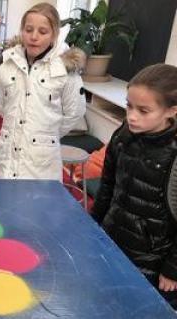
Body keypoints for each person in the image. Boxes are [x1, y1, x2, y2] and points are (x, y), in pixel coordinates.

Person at [92, 64, 177, 308]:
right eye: (129, 106)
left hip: (152, 261)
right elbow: (106, 186)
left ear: (171, 110)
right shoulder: (122, 136)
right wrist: (92, 227)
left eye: (143, 110)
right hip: (111, 240)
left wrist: (172, 269)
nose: (131, 116)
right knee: (105, 301)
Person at [0, 3, 87, 181]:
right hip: (5, 156)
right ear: (22, 30)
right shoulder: (8, 64)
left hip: (42, 163)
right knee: (1, 203)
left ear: (54, 34)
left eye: (42, 32)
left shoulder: (65, 70)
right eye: (29, 29)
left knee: (37, 206)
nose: (34, 37)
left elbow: (74, 112)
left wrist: (46, 134)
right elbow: (1, 104)